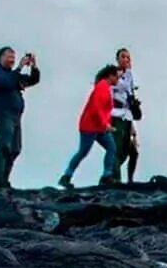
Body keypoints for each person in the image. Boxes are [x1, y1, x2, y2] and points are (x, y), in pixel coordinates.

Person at [0, 46, 41, 194]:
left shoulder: (14, 75)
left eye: (14, 57)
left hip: (16, 116)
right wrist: (19, 68)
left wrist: (33, 66)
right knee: (4, 146)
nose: (12, 59)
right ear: (1, 57)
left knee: (15, 149)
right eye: (9, 56)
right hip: (2, 114)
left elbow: (33, 80)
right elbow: (5, 83)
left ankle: (5, 182)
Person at [60, 64, 120, 188]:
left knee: (112, 147)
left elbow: (104, 109)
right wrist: (105, 124)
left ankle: (107, 176)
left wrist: (106, 124)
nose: (118, 80)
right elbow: (96, 108)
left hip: (100, 127)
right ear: (111, 76)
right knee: (83, 151)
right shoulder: (101, 87)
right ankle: (66, 176)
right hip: (90, 126)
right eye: (117, 77)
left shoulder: (106, 87)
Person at [110, 47, 142, 183]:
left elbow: (130, 99)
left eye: (128, 57)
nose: (126, 60)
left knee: (133, 151)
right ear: (117, 59)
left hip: (127, 117)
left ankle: (130, 180)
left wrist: (134, 131)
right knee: (117, 150)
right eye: (123, 57)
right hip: (116, 116)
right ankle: (115, 179)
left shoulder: (130, 77)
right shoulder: (113, 75)